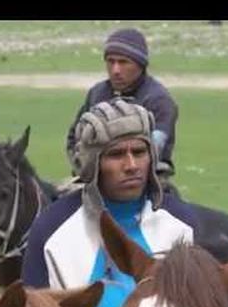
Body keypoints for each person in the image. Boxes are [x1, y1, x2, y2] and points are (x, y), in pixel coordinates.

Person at [24, 98, 198, 307]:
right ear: (93, 165)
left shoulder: (181, 224)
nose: (131, 166)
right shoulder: (51, 229)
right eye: (116, 155)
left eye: (139, 152)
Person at [65, 27, 178, 187]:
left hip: (146, 183)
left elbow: (153, 150)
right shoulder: (97, 93)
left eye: (123, 62)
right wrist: (84, 167)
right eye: (111, 61)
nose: (116, 70)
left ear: (140, 65)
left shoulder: (158, 100)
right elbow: (74, 139)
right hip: (92, 180)